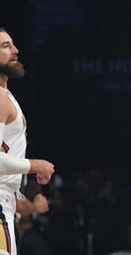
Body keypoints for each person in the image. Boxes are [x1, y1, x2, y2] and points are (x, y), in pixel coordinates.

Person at [0, 28, 55, 255]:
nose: (16, 50)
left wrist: (28, 206)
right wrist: (35, 165)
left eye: (12, 44)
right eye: (5, 46)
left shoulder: (7, 96)